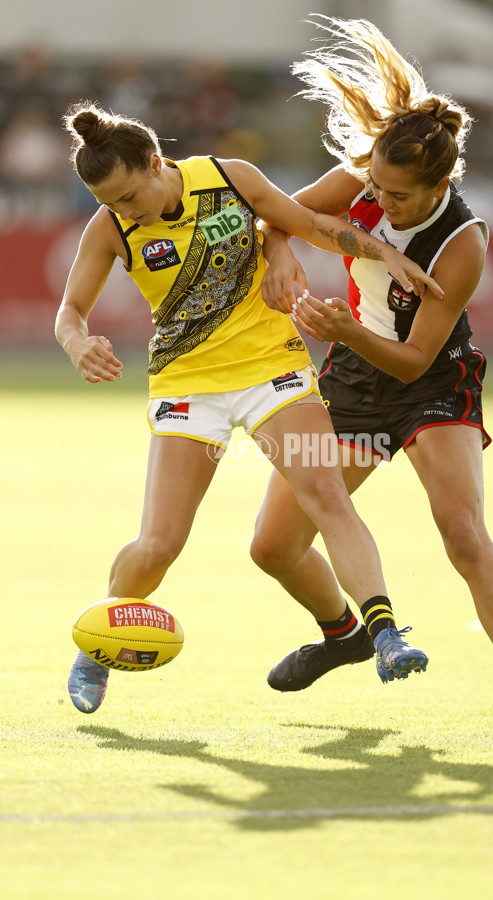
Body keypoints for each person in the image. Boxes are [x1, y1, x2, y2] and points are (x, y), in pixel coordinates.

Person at [56, 100, 442, 714]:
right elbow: (70, 310)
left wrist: (382, 253)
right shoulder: (110, 228)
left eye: (129, 196)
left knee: (326, 495)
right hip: (188, 385)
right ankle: (98, 646)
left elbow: (307, 223)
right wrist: (77, 342)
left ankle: (385, 633)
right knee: (158, 545)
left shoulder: (228, 177)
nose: (125, 211)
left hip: (272, 369)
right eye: (111, 203)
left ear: (156, 163)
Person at [250, 16, 493, 736]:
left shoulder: (461, 243)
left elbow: (415, 358)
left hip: (432, 385)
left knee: (462, 533)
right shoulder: (363, 178)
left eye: (397, 197)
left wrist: (342, 329)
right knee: (272, 547)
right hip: (352, 383)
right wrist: (282, 252)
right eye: (377, 188)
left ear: (439, 185)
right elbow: (277, 215)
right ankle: (346, 634)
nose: (379, 203)